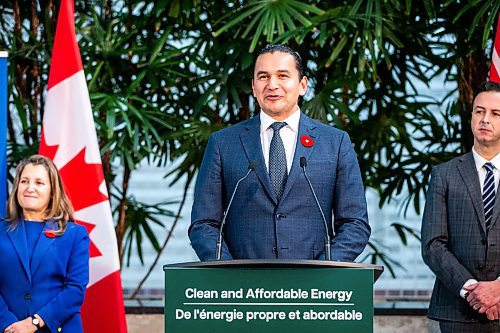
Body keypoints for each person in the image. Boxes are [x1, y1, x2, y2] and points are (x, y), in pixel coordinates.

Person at [189, 44, 370, 261]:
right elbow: (204, 223)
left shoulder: (335, 142)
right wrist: (228, 271)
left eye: (282, 76)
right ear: (254, 86)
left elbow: (355, 223)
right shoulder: (223, 143)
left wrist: (325, 270)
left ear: (302, 85)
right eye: (263, 77)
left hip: (314, 286)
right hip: (242, 285)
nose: (272, 85)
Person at [422, 81, 500, 333]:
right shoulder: (444, 174)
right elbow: (433, 244)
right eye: (479, 111)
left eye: (495, 113)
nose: (485, 119)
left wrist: (498, 289)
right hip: (456, 310)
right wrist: (472, 290)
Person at [0, 155, 89, 333]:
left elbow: (75, 290)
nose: (30, 188)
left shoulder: (74, 234)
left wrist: (33, 323)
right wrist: (8, 325)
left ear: (52, 191)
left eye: (39, 183)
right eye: (24, 181)